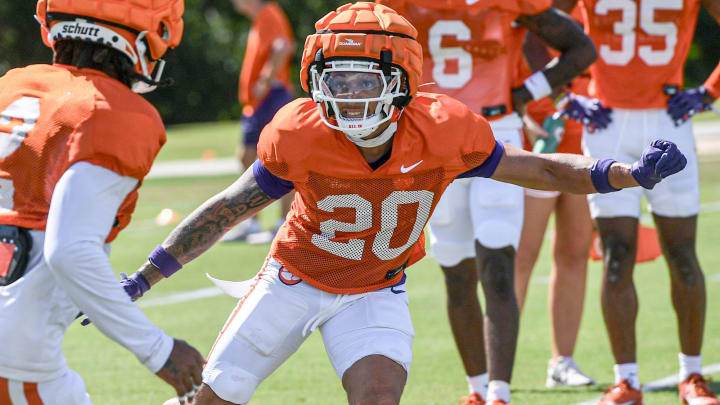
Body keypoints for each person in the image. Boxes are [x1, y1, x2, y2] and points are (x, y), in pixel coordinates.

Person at [119, 3, 686, 405]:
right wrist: (143, 279)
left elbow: (536, 167)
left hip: (374, 289)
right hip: (292, 281)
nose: (347, 96)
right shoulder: (300, 130)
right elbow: (230, 207)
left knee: (378, 397)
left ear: (401, 79)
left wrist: (624, 174)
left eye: (363, 82)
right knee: (223, 396)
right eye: (334, 81)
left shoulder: (444, 127)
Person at [375, 0, 597, 402]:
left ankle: (499, 392)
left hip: (497, 131)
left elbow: (581, 47)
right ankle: (476, 389)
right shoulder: (400, 6)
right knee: (456, 270)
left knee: (497, 262)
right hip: (432, 138)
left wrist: (527, 91)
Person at [0, 1, 205, 403]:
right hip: (15, 353)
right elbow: (69, 252)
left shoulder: (16, 85)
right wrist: (159, 350)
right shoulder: (115, 112)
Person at [550, 0, 720, 402]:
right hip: (607, 122)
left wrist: (709, 91)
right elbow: (533, 25)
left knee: (681, 253)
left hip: (667, 118)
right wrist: (563, 93)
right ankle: (626, 379)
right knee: (616, 253)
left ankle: (692, 375)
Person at [512, 6, 596, 389]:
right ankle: (498, 366)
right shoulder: (532, 11)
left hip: (587, 135)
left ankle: (562, 361)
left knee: (575, 249)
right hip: (542, 134)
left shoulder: (589, 10)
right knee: (521, 254)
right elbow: (532, 51)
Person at [221, 0, 296, 243]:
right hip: (263, 99)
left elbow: (283, 46)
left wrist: (265, 79)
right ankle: (253, 221)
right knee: (249, 156)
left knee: (277, 157)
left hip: (269, 96)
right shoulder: (263, 17)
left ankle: (280, 221)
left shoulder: (267, 13)